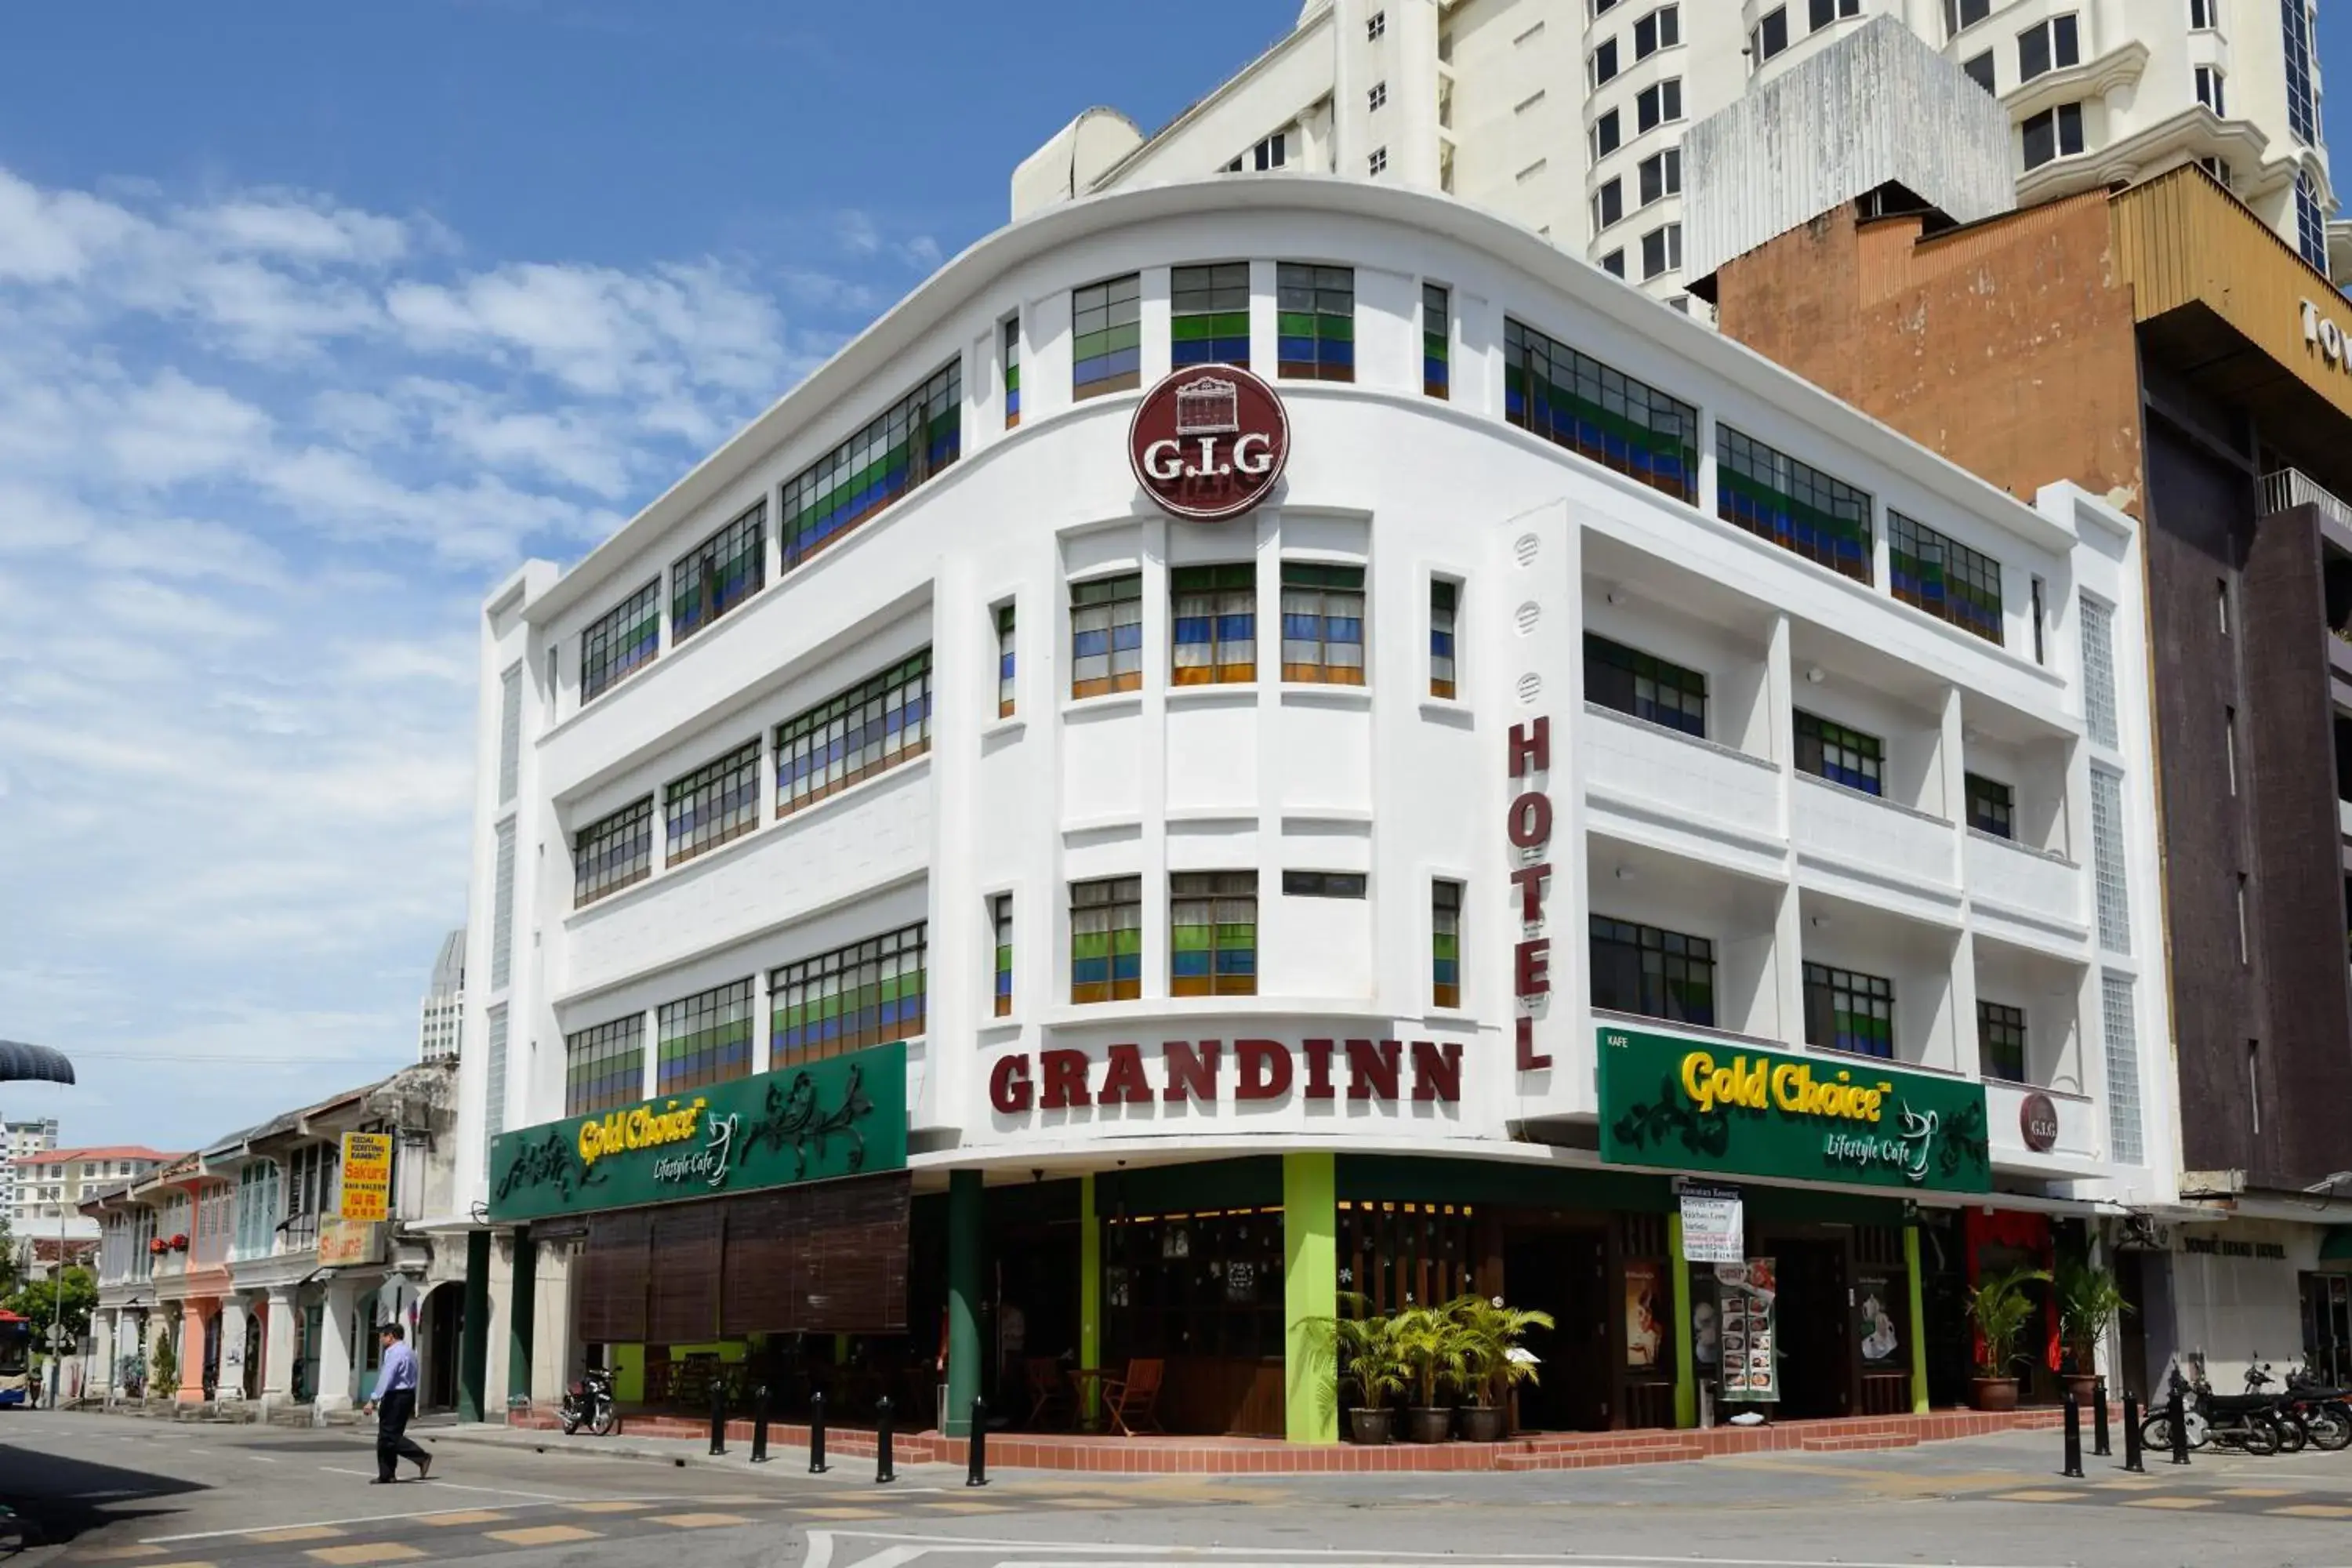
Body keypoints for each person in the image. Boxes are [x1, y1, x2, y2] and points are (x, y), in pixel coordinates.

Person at [361, 1323, 432, 1484]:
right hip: (407, 1396)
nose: (380, 1339)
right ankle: (387, 1474)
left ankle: (421, 1457)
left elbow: (387, 1377)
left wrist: (373, 1399)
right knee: (387, 1437)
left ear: (391, 1336)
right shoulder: (409, 1351)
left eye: (382, 1336)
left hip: (395, 1397)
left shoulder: (395, 1353)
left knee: (389, 1436)